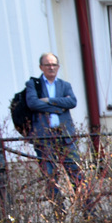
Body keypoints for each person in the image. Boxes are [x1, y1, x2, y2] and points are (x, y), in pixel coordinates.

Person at [25, 53, 84, 207]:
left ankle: (88, 210)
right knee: (50, 176)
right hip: (45, 137)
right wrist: (59, 107)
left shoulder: (65, 85)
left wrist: (49, 101)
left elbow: (72, 102)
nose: (51, 67)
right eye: (47, 65)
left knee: (76, 172)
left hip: (65, 135)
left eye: (54, 64)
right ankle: (59, 212)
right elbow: (33, 103)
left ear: (58, 67)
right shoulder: (34, 85)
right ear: (41, 67)